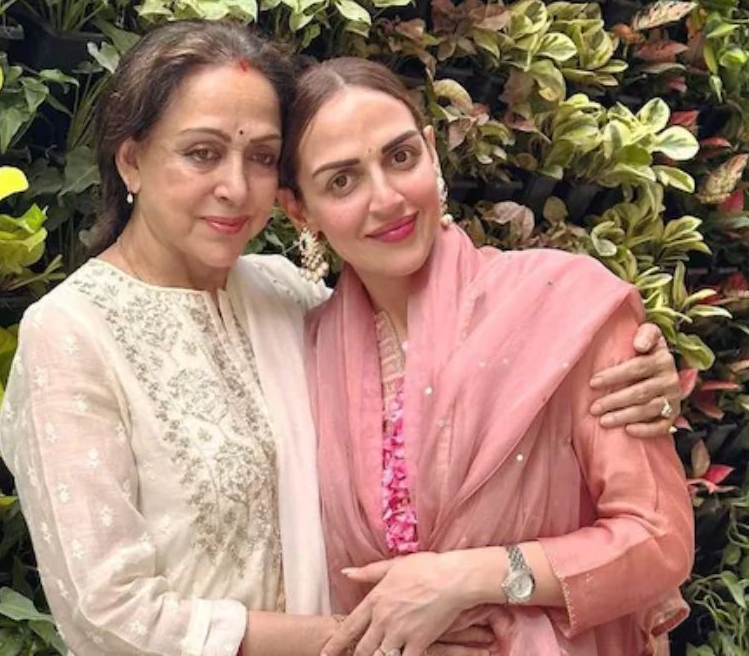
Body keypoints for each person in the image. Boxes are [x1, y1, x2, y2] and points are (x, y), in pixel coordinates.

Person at [0, 21, 685, 656]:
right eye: (201, 153)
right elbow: (108, 612)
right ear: (131, 162)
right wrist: (365, 634)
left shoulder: (283, 297)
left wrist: (638, 366)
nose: (234, 187)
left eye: (261, 157)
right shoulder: (72, 332)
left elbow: (469, 368)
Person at [280, 58, 695, 656]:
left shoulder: (564, 306)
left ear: (431, 151)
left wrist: (467, 578)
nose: (387, 198)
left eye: (401, 157)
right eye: (342, 181)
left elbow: (658, 538)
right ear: (300, 210)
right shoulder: (300, 355)